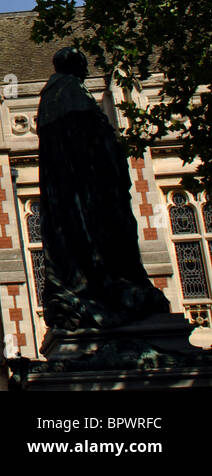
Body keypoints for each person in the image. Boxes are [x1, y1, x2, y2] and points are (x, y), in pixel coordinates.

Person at [36, 47, 169, 331]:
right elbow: (93, 145)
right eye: (82, 65)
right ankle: (114, 286)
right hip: (93, 194)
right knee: (110, 234)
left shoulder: (50, 98)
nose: (86, 71)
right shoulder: (71, 93)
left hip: (77, 198)